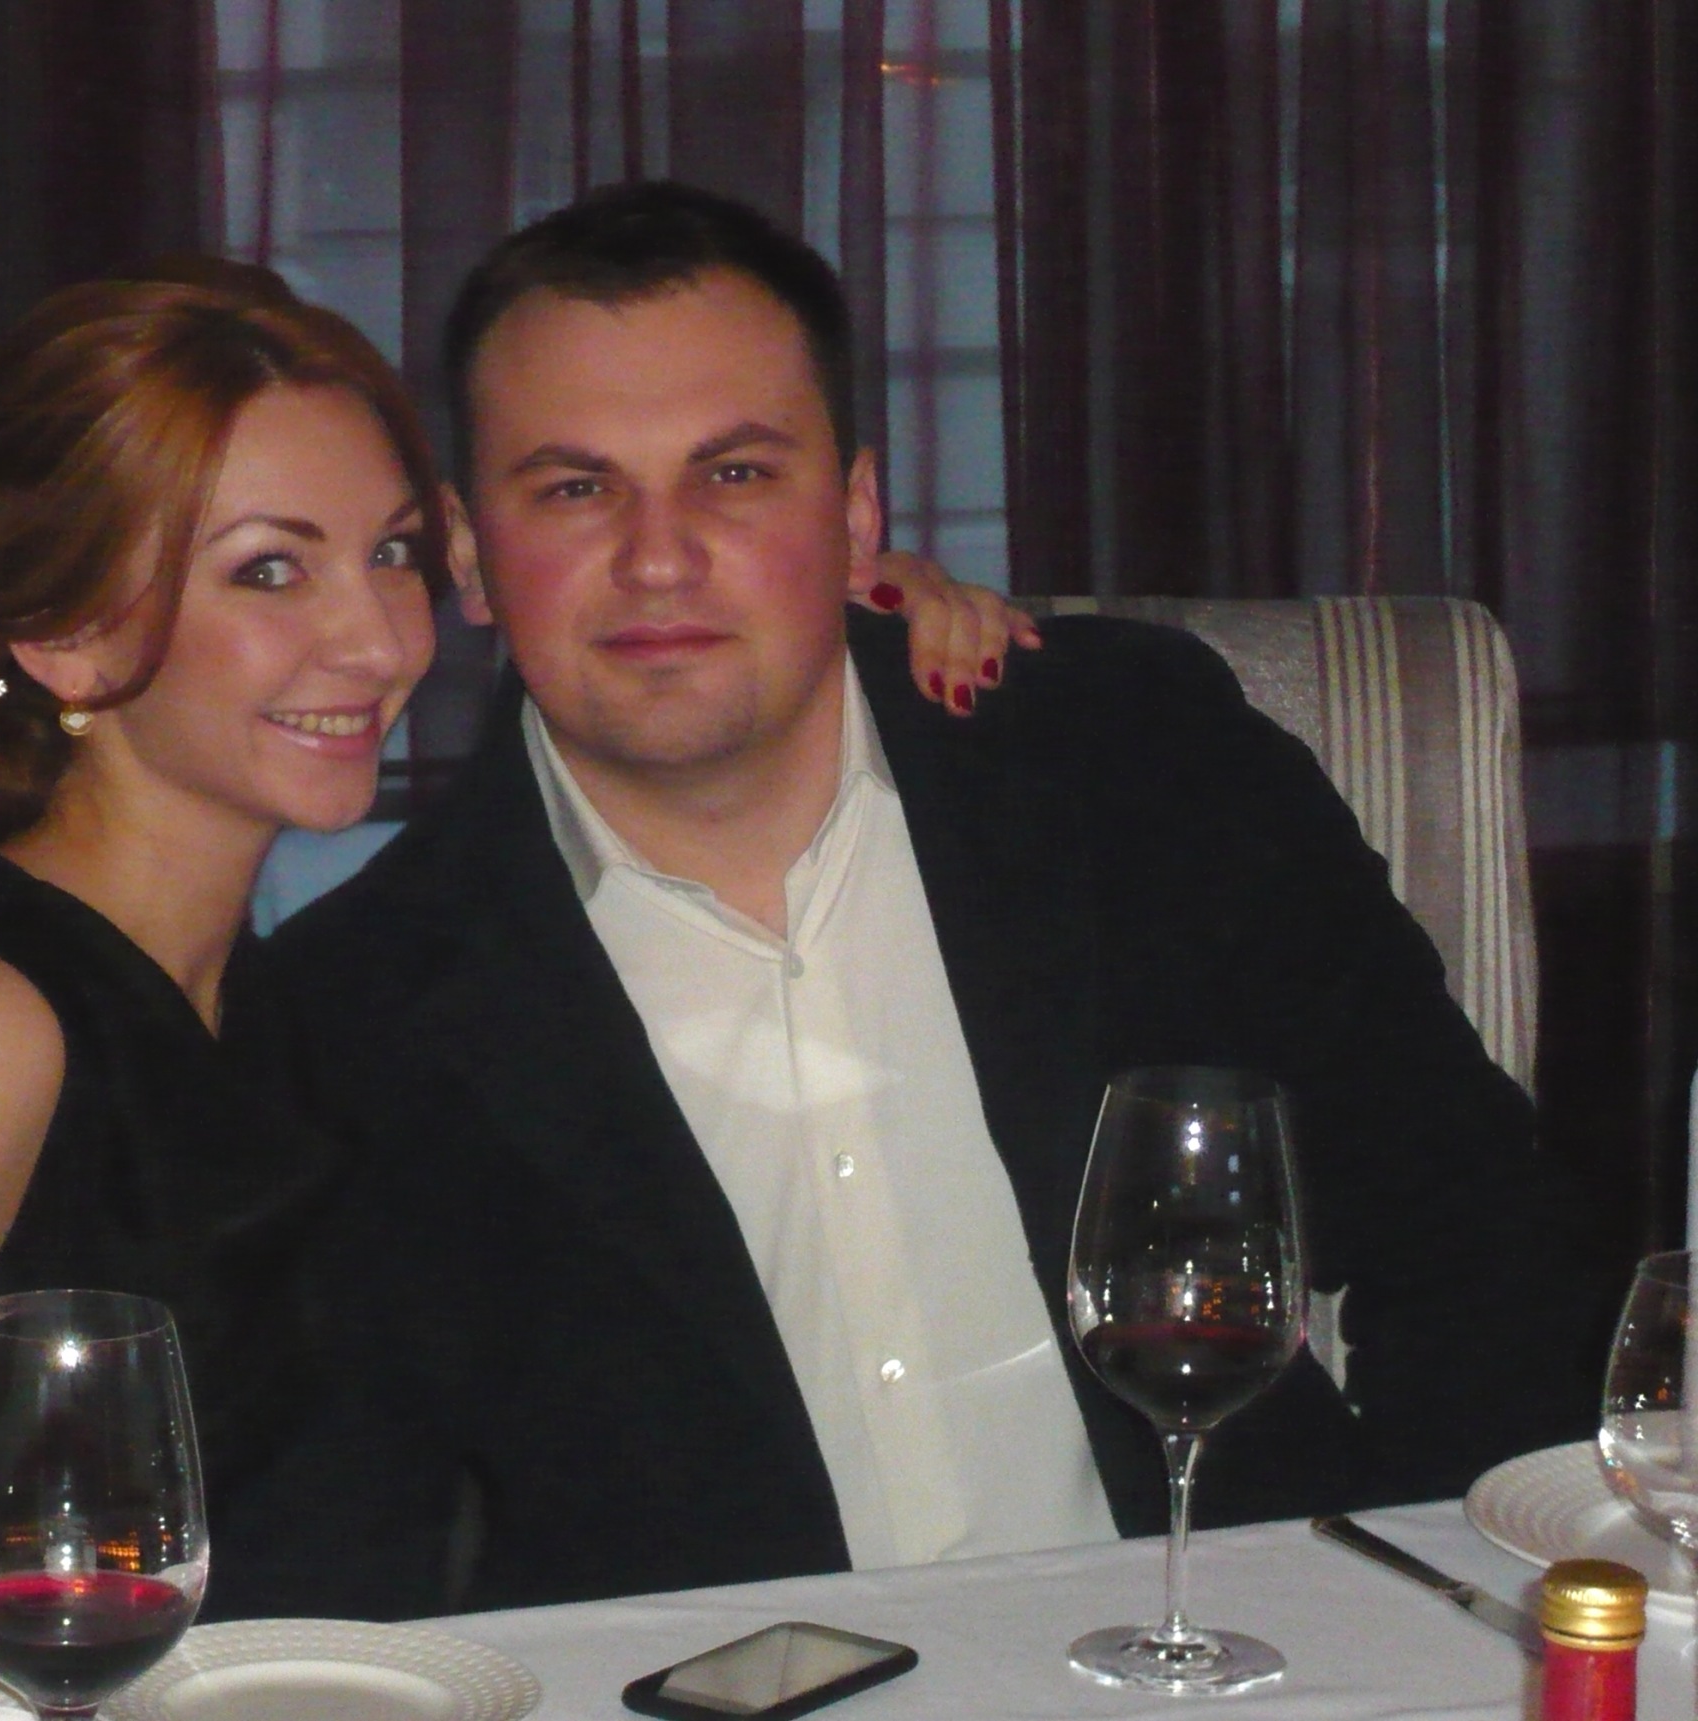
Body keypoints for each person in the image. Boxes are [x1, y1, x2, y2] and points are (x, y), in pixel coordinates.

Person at [0, 257, 1026, 1717]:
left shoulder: (299, 1013)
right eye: (269, 571)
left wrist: (869, 613)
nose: (376, 641)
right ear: (69, 635)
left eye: (389, 553)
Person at [241, 181, 1600, 1623]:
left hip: (1231, 1655)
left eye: (735, 473)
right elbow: (352, 1548)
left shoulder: (1138, 769)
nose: (658, 555)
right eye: (576, 488)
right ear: (467, 553)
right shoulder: (353, 1013)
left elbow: (1474, 1229)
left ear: (856, 512)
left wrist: (1439, 1611)